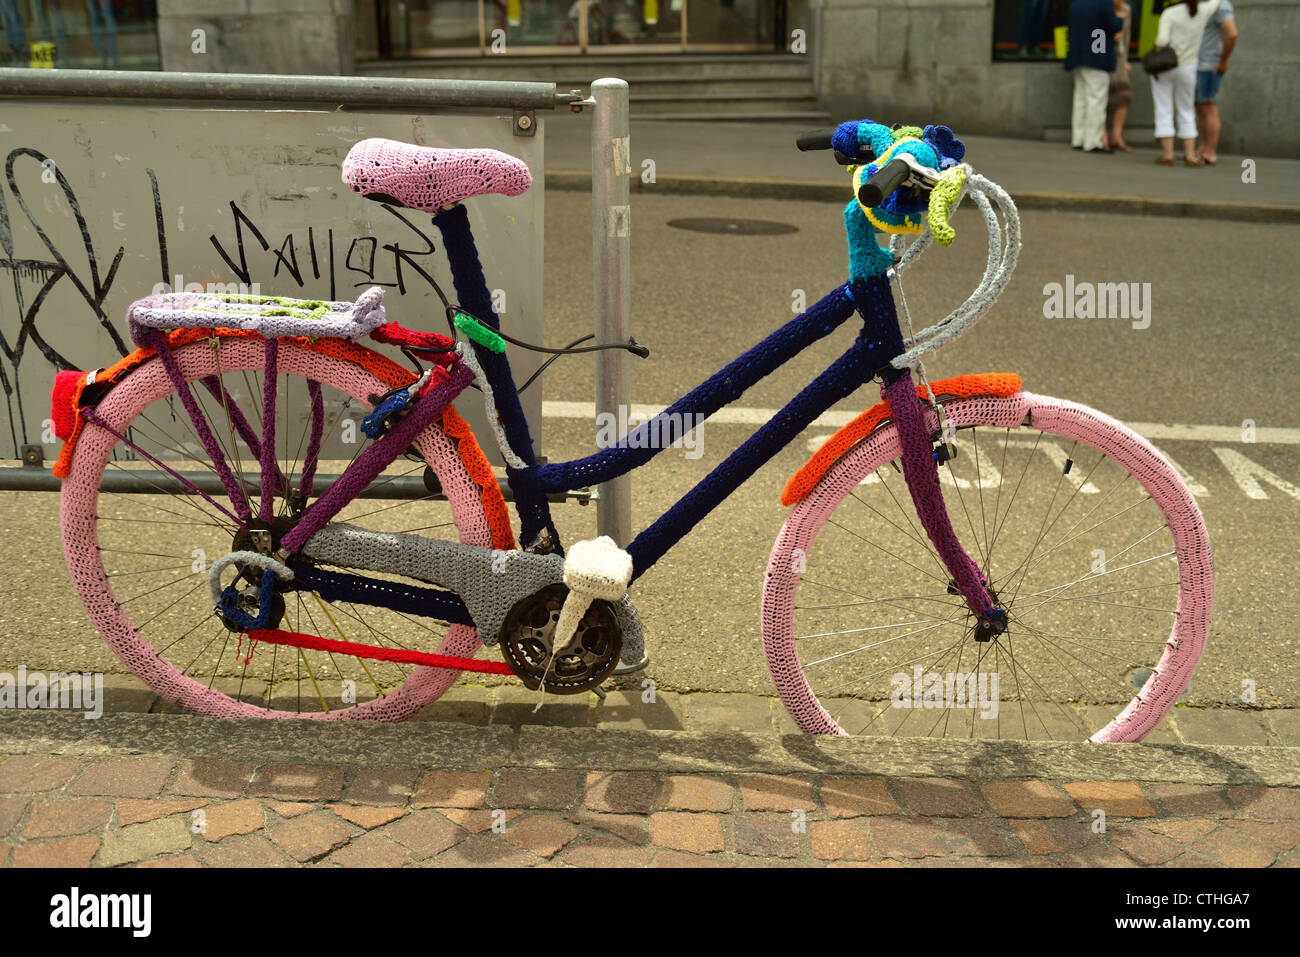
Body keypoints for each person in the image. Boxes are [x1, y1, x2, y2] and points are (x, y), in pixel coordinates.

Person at [1151, 0, 1221, 167]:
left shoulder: (1170, 13)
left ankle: (1168, 154)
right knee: (1186, 108)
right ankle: (1190, 155)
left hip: (1166, 65)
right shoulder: (1203, 11)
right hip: (1188, 66)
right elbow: (1216, 3)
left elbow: (1161, 40)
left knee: (1163, 107)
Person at [1064, 0, 1124, 153]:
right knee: (1096, 99)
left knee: (1080, 98)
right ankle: (1093, 141)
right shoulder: (1103, 4)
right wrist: (1119, 17)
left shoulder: (1076, 4)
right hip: (1097, 56)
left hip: (1077, 56)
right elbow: (1113, 26)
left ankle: (1078, 138)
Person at [1195, 0, 1237, 165]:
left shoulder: (1221, 5)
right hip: (1199, 63)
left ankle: (1210, 151)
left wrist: (1223, 60)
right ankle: (1202, 148)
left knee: (1208, 106)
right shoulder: (1203, 5)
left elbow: (1232, 33)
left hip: (1210, 64)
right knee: (1200, 107)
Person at [1102, 0, 1133, 151]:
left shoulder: (1126, 9)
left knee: (1124, 95)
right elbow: (1096, 33)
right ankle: (1102, 136)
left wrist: (1125, 59)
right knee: (1100, 95)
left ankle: (1116, 135)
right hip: (1102, 55)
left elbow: (1126, 36)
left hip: (1119, 56)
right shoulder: (1101, 6)